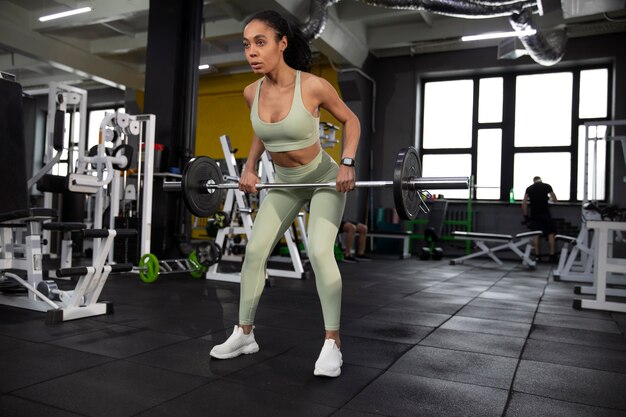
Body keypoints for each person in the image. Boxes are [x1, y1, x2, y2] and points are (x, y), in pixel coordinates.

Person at [209, 10, 360, 378]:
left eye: (260, 42)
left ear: (283, 43)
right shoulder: (251, 92)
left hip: (323, 178)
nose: (252, 52)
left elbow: (351, 120)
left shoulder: (313, 86)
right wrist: (249, 167)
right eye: (247, 45)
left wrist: (347, 162)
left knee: (320, 251)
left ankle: (332, 343)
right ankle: (244, 333)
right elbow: (262, 129)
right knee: (255, 251)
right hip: (284, 182)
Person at [521, 176, 558, 263]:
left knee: (535, 234)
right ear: (541, 180)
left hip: (535, 214)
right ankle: (552, 256)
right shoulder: (547, 186)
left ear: (533, 181)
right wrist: (549, 199)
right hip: (545, 214)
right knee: (550, 233)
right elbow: (555, 199)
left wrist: (526, 216)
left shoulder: (529, 188)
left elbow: (524, 204)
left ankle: (537, 256)